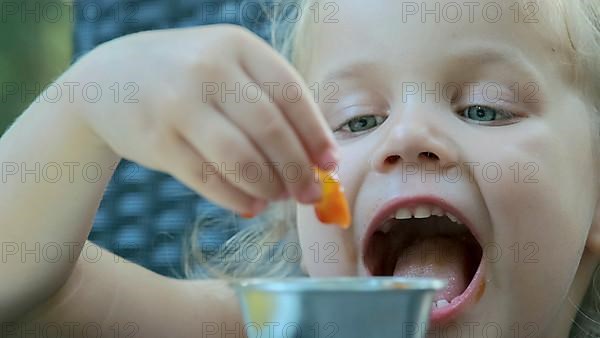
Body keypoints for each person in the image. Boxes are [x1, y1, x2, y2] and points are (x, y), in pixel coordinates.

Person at [2, 0, 599, 337]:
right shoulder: (273, 328)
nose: (409, 136)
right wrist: (86, 103)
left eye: (483, 108)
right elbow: (30, 295)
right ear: (298, 213)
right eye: (357, 120)